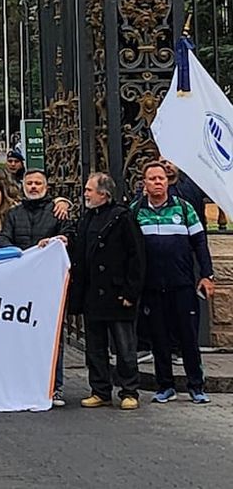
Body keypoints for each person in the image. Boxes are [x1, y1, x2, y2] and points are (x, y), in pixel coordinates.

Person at [134, 161, 215, 405]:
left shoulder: (184, 207)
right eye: (152, 179)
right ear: (145, 184)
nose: (158, 182)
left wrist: (207, 275)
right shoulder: (136, 210)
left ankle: (196, 386)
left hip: (181, 284)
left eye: (161, 178)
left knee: (188, 337)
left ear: (167, 182)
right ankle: (165, 385)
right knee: (159, 338)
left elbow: (200, 243)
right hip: (151, 285)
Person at [68, 173, 145, 410]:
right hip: (93, 296)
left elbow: (137, 258)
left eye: (89, 190)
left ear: (104, 194)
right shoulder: (87, 218)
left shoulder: (123, 218)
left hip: (118, 295)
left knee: (124, 348)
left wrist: (130, 293)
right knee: (95, 349)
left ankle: (129, 391)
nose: (86, 194)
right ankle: (100, 390)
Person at [0, 168, 74, 406]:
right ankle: (22, 384)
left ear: (46, 187)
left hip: (49, 288)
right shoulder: (13, 214)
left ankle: (55, 386)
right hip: (20, 287)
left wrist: (58, 241)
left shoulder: (57, 211)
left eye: (37, 183)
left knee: (53, 337)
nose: (33, 187)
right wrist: (20, 256)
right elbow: (3, 240)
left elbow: (69, 234)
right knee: (18, 335)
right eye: (29, 183)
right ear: (22, 186)